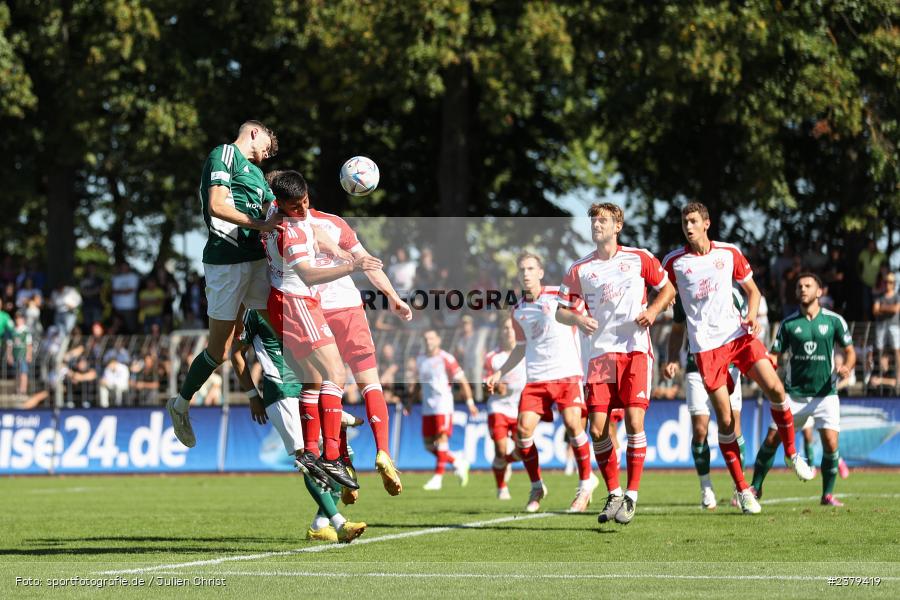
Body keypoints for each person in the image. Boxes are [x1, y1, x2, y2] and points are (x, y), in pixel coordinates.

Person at [662, 202, 814, 516]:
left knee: (777, 389)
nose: (688, 227)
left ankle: (791, 453)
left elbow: (753, 292)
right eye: (684, 222)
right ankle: (743, 490)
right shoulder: (674, 262)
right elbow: (666, 302)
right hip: (707, 351)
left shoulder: (728, 252)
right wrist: (669, 351)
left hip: (738, 337)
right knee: (727, 422)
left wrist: (753, 317)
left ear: (706, 223)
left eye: (693, 221)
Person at [267, 178, 411, 496]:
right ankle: (382, 451)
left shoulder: (278, 222)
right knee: (368, 382)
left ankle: (341, 461)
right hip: (342, 307)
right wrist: (392, 296)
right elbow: (367, 264)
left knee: (325, 385)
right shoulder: (332, 223)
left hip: (313, 309)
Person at [557, 203, 675, 524]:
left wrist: (653, 311)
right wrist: (578, 318)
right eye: (594, 221)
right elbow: (560, 311)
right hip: (599, 357)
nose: (597, 225)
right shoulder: (580, 269)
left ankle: (632, 496)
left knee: (635, 422)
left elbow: (668, 289)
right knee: (597, 429)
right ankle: (613, 492)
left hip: (635, 351)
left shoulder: (639, 258)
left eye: (603, 221)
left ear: (617, 226)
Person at [167, 120, 281, 448]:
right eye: (267, 147)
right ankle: (180, 404)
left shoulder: (257, 175)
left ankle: (319, 398)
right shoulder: (224, 154)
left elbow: (276, 210)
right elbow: (216, 205)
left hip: (256, 261)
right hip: (225, 263)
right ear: (254, 132)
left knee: (283, 329)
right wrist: (260, 224)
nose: (266, 155)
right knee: (219, 350)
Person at [231, 307, 366, 543]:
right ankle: (339, 523)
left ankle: (319, 525)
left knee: (344, 455)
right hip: (281, 391)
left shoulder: (296, 305)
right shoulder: (254, 312)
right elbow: (236, 353)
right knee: (307, 458)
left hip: (309, 391)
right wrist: (253, 395)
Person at [486, 252, 590, 513]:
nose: (526, 273)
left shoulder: (559, 295)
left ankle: (585, 484)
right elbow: (521, 347)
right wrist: (499, 373)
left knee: (573, 424)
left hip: (566, 373)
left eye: (531, 268)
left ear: (541, 273)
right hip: (537, 379)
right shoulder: (518, 311)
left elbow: (585, 312)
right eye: (522, 269)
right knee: (523, 433)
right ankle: (537, 485)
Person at [751, 273, 856, 506]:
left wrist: (847, 367)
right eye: (799, 286)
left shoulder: (834, 321)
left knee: (831, 444)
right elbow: (775, 355)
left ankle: (827, 495)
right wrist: (766, 364)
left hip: (825, 395)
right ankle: (755, 488)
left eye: (808, 285)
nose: (803, 289)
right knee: (772, 439)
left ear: (819, 291)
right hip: (793, 395)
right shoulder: (788, 324)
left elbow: (850, 351)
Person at [666, 291, 746, 511]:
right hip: (697, 367)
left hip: (729, 367)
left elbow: (744, 327)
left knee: (733, 427)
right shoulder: (685, 292)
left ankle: (740, 487)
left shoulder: (733, 294)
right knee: (700, 429)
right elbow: (677, 329)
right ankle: (706, 487)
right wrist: (672, 358)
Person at [414, 329, 477, 491]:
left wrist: (470, 402)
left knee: (442, 439)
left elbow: (462, 381)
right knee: (428, 445)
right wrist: (410, 400)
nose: (428, 341)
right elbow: (418, 382)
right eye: (426, 338)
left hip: (443, 405)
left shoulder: (446, 358)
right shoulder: (420, 359)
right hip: (427, 407)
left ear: (438, 340)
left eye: (431, 338)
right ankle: (457, 462)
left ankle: (438, 478)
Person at [482, 316, 526, 500]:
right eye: (505, 328)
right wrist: (492, 386)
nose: (509, 331)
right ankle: (501, 487)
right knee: (500, 449)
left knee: (523, 451)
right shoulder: (492, 357)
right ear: (501, 332)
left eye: (512, 328)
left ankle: (503, 463)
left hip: (520, 408)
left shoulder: (526, 353)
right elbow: (485, 382)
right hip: (498, 407)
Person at [872, 273, 900, 392]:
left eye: (890, 282)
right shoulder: (879, 296)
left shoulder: (897, 296)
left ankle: (898, 378)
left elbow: (896, 309)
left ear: (894, 284)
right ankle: (880, 376)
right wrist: (888, 308)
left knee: (897, 351)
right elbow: (875, 311)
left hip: (894, 326)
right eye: (886, 282)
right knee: (879, 350)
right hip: (881, 325)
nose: (888, 284)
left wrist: (882, 308)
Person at [110, 263, 140, 334]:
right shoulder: (116, 278)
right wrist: (124, 291)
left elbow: (131, 290)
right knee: (117, 327)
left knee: (130, 327)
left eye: (125, 267)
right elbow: (114, 291)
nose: (124, 268)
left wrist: (119, 291)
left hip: (130, 307)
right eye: (122, 267)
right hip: (117, 307)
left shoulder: (133, 277)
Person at [8, 312, 33, 395]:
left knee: (23, 372)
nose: (18, 320)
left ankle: (23, 390)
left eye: (20, 318)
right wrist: (9, 355)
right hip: (15, 354)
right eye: (17, 318)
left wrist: (29, 355)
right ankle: (18, 389)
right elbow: (10, 344)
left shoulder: (26, 331)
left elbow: (29, 344)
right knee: (16, 373)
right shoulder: (13, 331)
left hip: (23, 354)